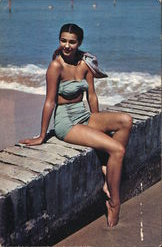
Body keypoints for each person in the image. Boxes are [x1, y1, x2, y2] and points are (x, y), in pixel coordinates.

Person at [20, 23, 132, 227]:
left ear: (79, 42)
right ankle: (114, 202)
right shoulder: (56, 66)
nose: (67, 45)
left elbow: (91, 95)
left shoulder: (85, 63)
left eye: (72, 41)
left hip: (83, 115)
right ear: (59, 40)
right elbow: (50, 101)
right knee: (118, 149)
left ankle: (108, 169)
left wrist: (97, 125)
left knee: (126, 120)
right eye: (63, 40)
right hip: (66, 121)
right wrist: (41, 135)